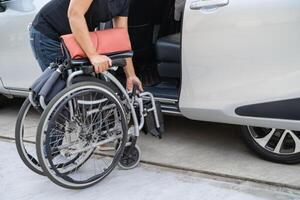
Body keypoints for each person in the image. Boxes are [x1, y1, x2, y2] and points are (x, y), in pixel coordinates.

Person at [29, 0, 143, 91]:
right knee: (62, 94)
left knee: (82, 93)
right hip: (49, 33)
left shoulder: (124, 2)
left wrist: (130, 75)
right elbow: (75, 14)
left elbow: (121, 38)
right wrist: (93, 55)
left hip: (73, 39)